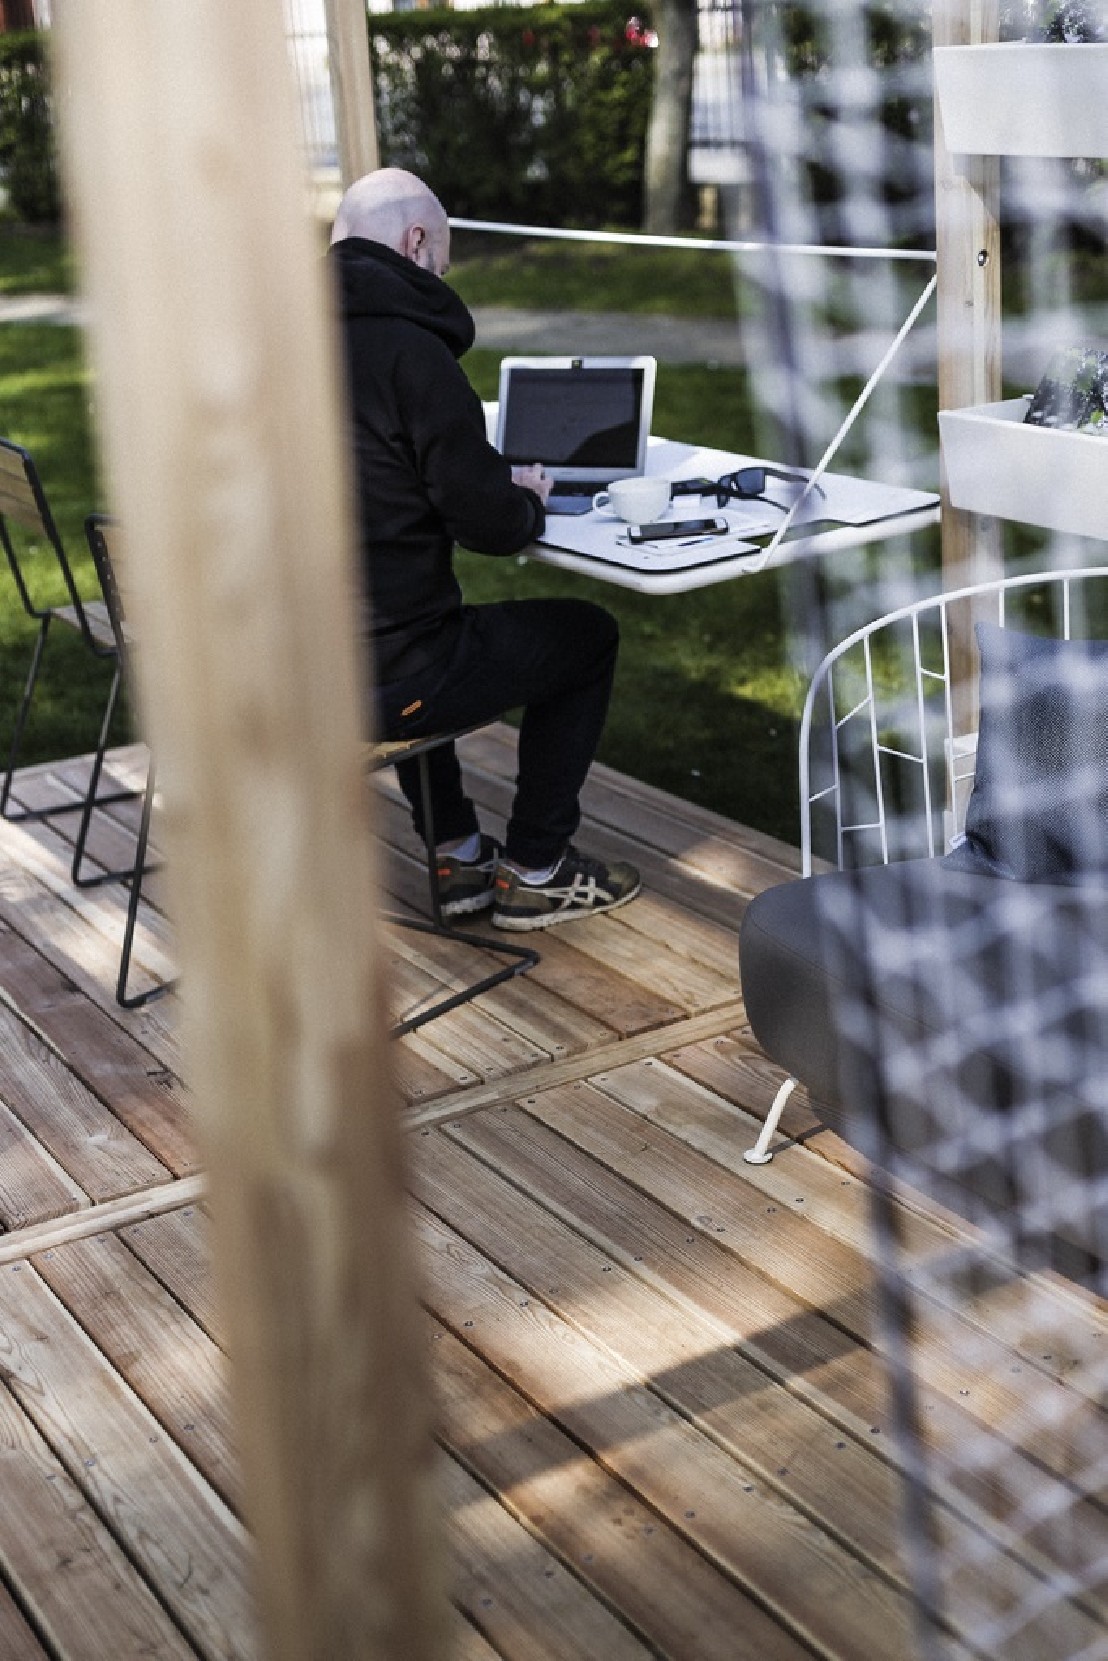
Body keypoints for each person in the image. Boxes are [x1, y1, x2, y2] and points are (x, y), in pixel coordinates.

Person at [329, 168, 641, 931]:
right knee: (586, 636)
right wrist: (524, 496)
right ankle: (537, 868)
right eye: (439, 264)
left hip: (291, 662)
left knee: (407, 623)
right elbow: (491, 528)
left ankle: (460, 856)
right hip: (385, 678)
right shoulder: (412, 354)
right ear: (415, 243)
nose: (438, 279)